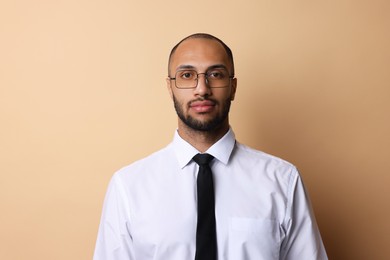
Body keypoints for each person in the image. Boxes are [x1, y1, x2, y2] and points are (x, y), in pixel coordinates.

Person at [93, 33, 328, 260]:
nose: (202, 88)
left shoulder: (282, 180)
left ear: (233, 87)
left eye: (215, 74)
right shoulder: (129, 186)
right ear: (170, 87)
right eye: (187, 75)